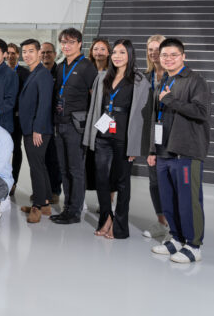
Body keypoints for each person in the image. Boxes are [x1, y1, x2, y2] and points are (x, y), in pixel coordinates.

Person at [149, 38, 211, 263]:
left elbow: (201, 112)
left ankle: (193, 246)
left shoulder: (196, 80)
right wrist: (152, 149)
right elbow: (156, 118)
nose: (168, 59)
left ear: (183, 56)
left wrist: (171, 100)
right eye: (164, 55)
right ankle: (176, 239)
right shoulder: (164, 79)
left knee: (188, 201)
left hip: (186, 151)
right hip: (163, 150)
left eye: (173, 55)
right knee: (168, 200)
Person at [83, 39, 151, 239]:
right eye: (115, 52)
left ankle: (120, 226)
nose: (117, 56)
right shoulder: (103, 77)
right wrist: (92, 136)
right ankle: (106, 218)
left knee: (122, 183)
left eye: (122, 52)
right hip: (103, 135)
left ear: (130, 55)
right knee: (101, 179)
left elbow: (144, 116)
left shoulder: (139, 80)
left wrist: (136, 146)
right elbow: (95, 108)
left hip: (124, 138)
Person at [51, 28, 98, 225]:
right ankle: (67, 208)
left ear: (79, 44)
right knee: (63, 169)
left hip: (76, 126)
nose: (66, 46)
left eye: (70, 42)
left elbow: (95, 98)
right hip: (59, 123)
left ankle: (75, 211)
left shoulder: (87, 67)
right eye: (63, 42)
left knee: (76, 170)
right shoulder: (60, 66)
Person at [17, 39, 55, 223]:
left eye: (31, 51)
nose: (27, 55)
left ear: (39, 52)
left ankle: (37, 206)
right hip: (30, 127)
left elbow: (44, 104)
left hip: (37, 130)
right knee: (40, 165)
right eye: (24, 52)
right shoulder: (33, 72)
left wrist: (38, 129)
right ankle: (45, 203)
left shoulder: (43, 74)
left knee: (36, 167)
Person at [143, 34, 170, 238]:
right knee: (154, 181)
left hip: (171, 134)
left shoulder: (174, 77)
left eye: (157, 49)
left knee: (170, 180)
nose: (153, 53)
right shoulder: (144, 77)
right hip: (150, 136)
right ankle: (161, 222)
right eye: (150, 49)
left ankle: (175, 224)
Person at [86, 37, 112, 194]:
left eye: (102, 49)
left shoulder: (113, 73)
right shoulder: (88, 70)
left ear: (108, 52)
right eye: (95, 49)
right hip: (87, 121)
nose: (99, 52)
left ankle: (109, 199)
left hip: (105, 121)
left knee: (106, 165)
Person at [40, 40, 61, 203]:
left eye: (49, 52)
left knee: (54, 158)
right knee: (41, 158)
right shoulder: (37, 72)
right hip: (40, 122)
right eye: (43, 52)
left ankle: (54, 191)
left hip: (55, 122)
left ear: (55, 54)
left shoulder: (60, 72)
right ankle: (43, 190)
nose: (46, 55)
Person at [8, 41, 29, 196]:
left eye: (13, 53)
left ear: (18, 55)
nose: (10, 56)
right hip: (2, 117)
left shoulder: (24, 73)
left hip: (17, 118)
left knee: (16, 149)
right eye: (8, 53)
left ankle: (13, 181)